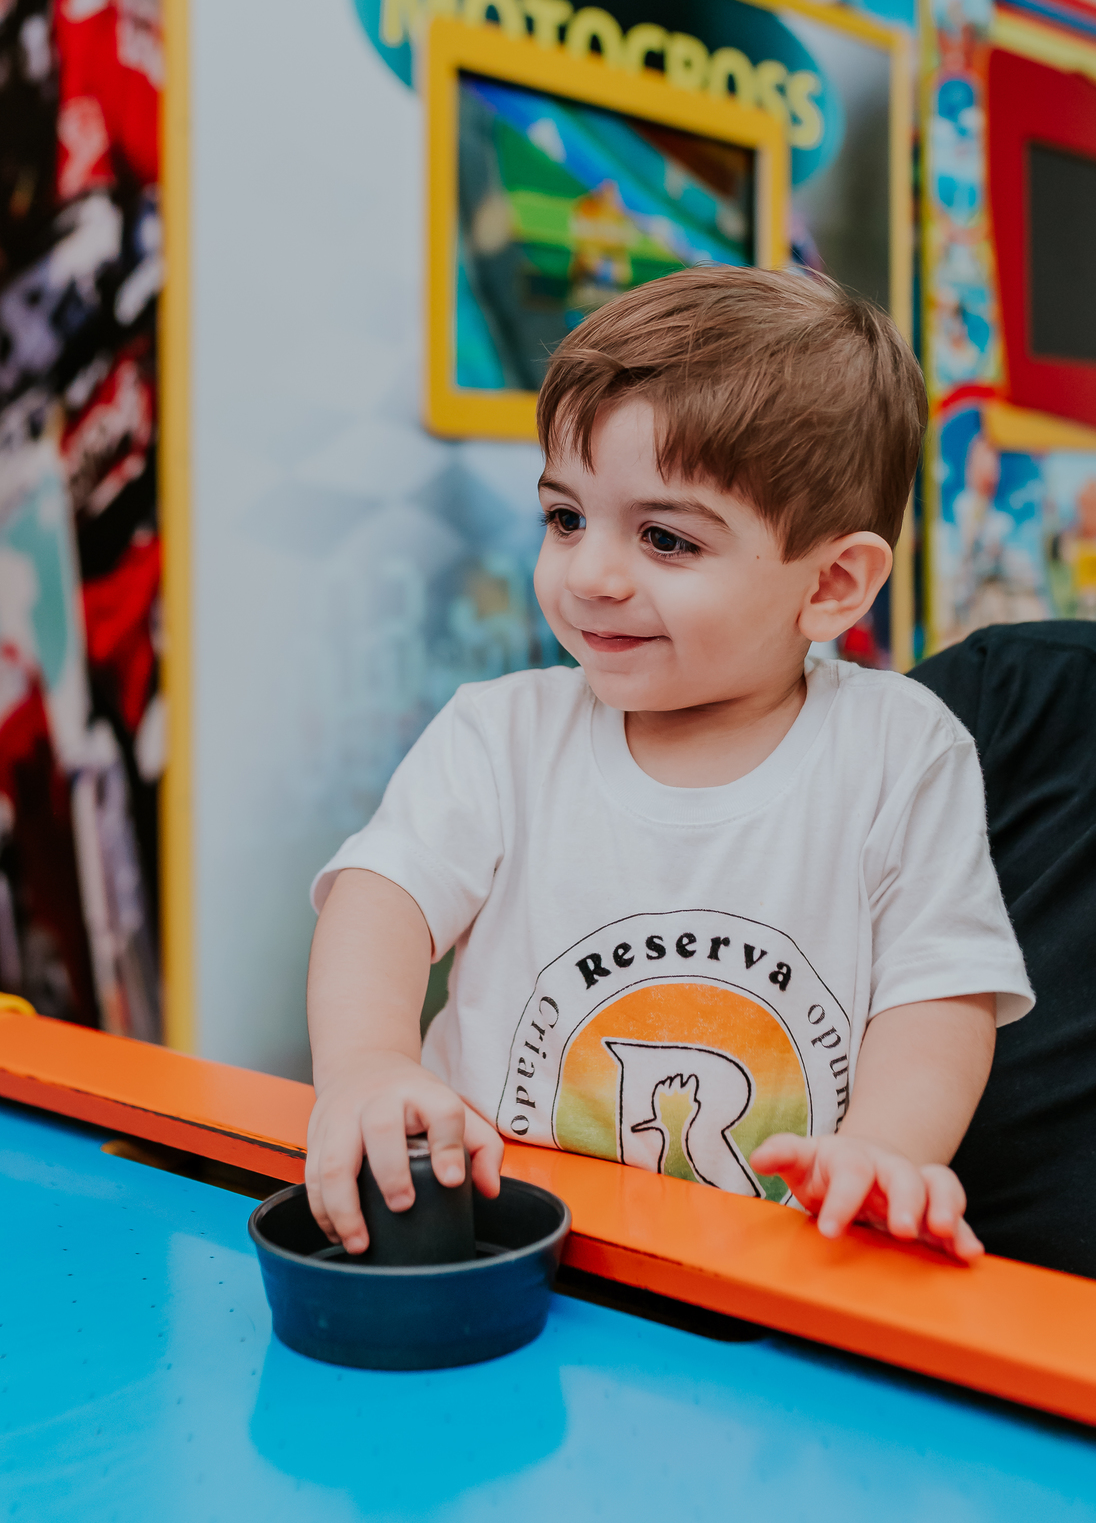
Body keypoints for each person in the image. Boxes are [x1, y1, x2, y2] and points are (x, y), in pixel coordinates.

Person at [305, 266, 1032, 1264]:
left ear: (831, 583)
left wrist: (883, 1152)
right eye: (566, 518)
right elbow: (380, 899)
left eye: (663, 538)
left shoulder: (902, 754)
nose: (590, 575)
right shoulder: (501, 735)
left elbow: (939, 991)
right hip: (503, 1246)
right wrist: (368, 1065)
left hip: (771, 1274)